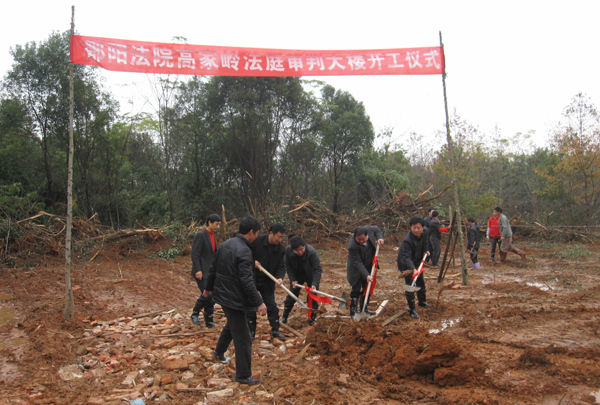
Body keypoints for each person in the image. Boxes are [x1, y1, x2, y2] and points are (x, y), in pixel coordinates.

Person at [204, 216, 266, 385]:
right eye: (257, 233)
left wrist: (208, 288)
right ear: (251, 232)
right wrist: (259, 302)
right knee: (243, 338)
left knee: (233, 325)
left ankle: (218, 353)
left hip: (224, 296)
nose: (257, 237)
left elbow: (213, 268)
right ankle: (243, 375)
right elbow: (247, 281)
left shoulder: (225, 244)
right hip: (235, 298)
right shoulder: (245, 250)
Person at [248, 223, 287, 339]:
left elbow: (281, 266)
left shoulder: (281, 249)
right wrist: (252, 261)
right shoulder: (256, 241)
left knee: (271, 305)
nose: (280, 240)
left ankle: (275, 330)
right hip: (252, 279)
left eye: (282, 238)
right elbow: (244, 254)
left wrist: (280, 277)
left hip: (267, 281)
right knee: (250, 305)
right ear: (271, 233)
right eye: (278, 237)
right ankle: (251, 332)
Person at [281, 236, 323, 326]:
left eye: (301, 249)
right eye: (297, 251)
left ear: (304, 246)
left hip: (310, 275)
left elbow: (317, 269)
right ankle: (284, 317)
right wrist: (292, 279)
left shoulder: (311, 252)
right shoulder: (288, 251)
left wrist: (314, 284)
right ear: (293, 250)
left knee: (312, 297)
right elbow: (288, 266)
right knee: (292, 295)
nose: (300, 252)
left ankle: (312, 318)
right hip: (297, 275)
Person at [190, 214, 221, 328]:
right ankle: (195, 313)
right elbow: (195, 253)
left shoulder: (213, 236)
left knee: (211, 296)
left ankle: (209, 321)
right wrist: (198, 269)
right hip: (202, 271)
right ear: (209, 222)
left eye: (219, 225)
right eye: (216, 224)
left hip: (210, 272)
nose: (218, 227)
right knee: (207, 295)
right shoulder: (201, 235)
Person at [346, 225, 384, 317]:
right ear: (355, 237)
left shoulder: (370, 230)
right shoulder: (352, 246)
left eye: (363, 239)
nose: (361, 241)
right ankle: (353, 313)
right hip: (356, 269)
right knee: (356, 289)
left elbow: (377, 230)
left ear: (367, 235)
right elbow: (357, 262)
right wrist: (366, 275)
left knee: (367, 287)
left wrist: (380, 238)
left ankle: (364, 309)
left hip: (368, 265)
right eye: (359, 240)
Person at [397, 216, 431, 319]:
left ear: (422, 228)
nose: (416, 230)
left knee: (420, 280)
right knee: (410, 284)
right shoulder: (407, 240)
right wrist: (413, 269)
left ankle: (422, 301)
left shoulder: (425, 233)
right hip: (406, 263)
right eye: (413, 228)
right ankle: (412, 309)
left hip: (417, 261)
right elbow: (406, 257)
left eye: (418, 228)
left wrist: (426, 250)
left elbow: (425, 243)